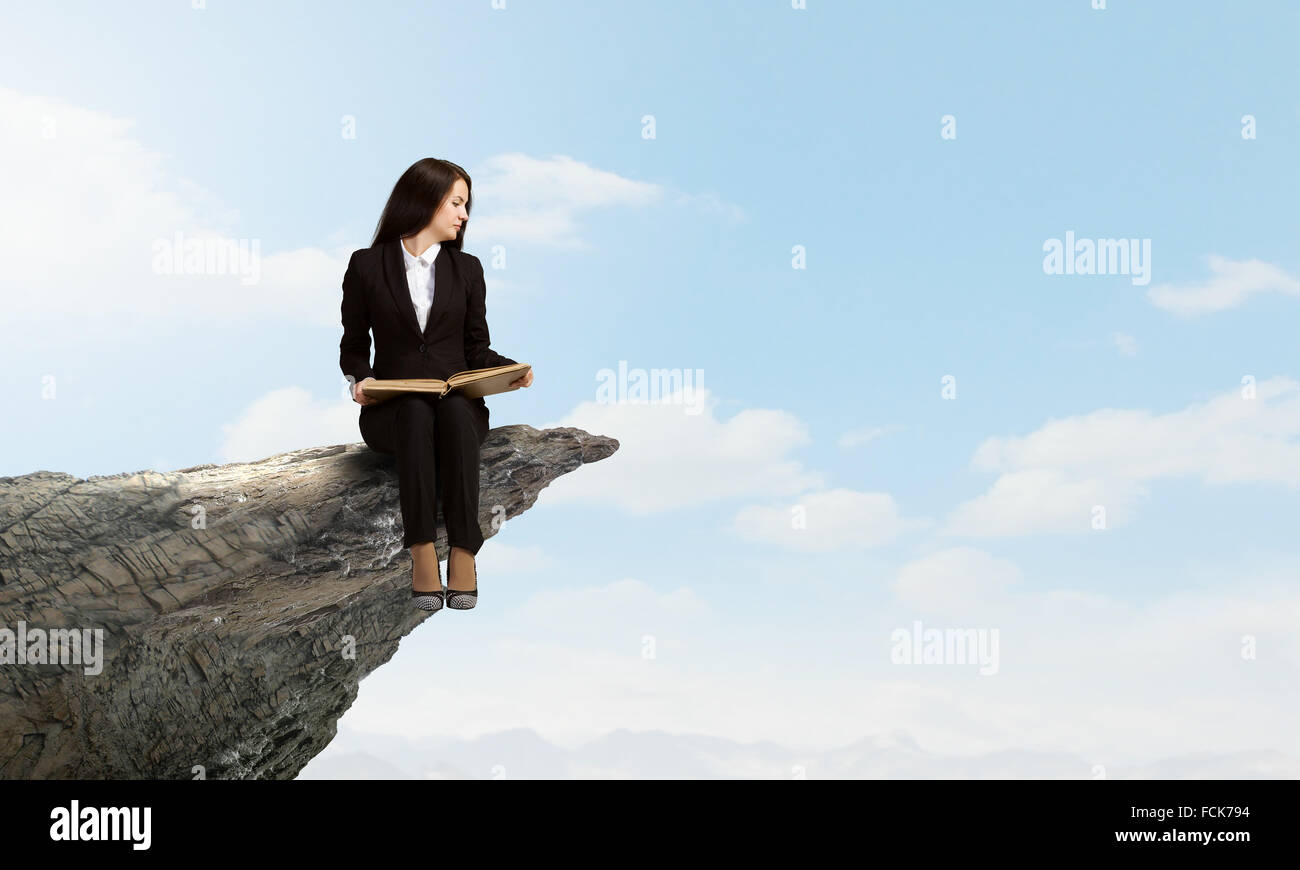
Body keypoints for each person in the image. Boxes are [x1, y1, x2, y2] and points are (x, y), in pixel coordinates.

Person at [339, 158, 533, 613]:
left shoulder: (467, 269)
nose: (464, 215)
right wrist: (359, 379)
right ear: (425, 200)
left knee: (451, 411)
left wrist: (511, 369)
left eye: (466, 205)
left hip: (453, 403)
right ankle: (422, 553)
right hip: (392, 410)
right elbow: (353, 344)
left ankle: (463, 552)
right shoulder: (366, 265)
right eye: (456, 203)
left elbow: (477, 348)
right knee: (413, 411)